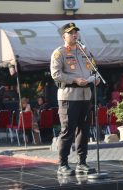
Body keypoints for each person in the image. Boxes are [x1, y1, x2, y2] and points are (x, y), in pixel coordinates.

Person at [50, 22, 100, 176]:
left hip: (85, 96)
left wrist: (96, 78)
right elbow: (56, 74)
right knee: (67, 131)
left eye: (76, 32)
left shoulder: (84, 51)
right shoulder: (59, 53)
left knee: (84, 131)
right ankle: (63, 164)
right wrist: (75, 80)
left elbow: (94, 69)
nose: (74, 35)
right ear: (63, 36)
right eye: (71, 33)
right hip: (69, 96)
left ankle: (82, 162)